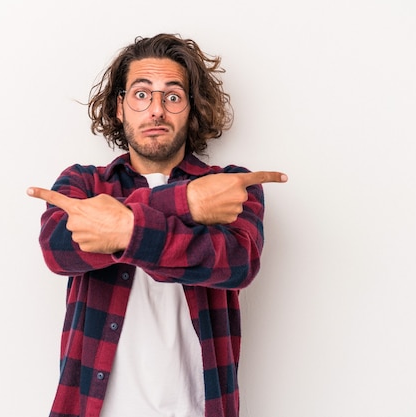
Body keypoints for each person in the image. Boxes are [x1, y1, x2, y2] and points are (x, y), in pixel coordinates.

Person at [27, 33, 287, 417]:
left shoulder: (230, 185)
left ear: (191, 108)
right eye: (141, 94)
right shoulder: (84, 183)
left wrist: (123, 232)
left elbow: (237, 263)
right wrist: (187, 204)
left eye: (173, 96)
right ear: (120, 108)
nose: (156, 111)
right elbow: (57, 249)